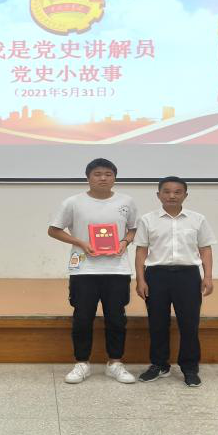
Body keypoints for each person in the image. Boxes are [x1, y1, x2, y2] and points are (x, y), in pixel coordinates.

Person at [48, 158, 138, 384]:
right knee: (82, 317)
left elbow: (134, 228)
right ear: (88, 177)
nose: (103, 178)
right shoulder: (73, 202)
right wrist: (80, 242)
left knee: (116, 318)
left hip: (117, 269)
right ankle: (82, 363)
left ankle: (115, 363)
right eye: (97, 174)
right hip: (84, 269)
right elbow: (54, 230)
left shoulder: (126, 201)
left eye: (108, 174)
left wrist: (125, 241)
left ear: (115, 177)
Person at [134, 176, 216, 387]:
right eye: (167, 191)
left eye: (177, 192)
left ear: (185, 195)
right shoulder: (147, 220)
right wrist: (140, 279)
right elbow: (141, 251)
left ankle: (190, 368)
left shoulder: (197, 219)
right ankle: (159, 365)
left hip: (188, 276)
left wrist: (207, 276)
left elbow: (205, 249)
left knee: (189, 323)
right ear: (158, 195)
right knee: (157, 323)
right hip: (156, 276)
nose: (172, 195)